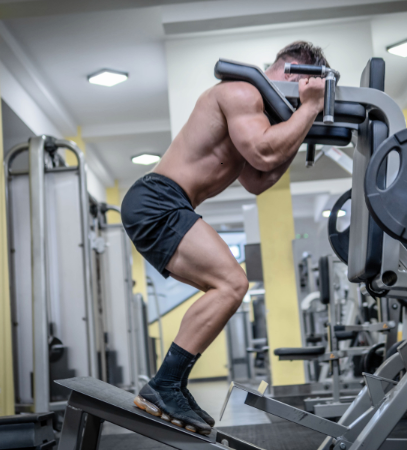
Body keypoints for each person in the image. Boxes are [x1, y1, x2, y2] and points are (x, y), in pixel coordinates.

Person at [122, 41, 328, 435]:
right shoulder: (242, 91)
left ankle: (172, 385)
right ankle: (165, 384)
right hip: (158, 199)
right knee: (233, 283)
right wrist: (309, 108)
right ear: (298, 75)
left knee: (226, 286)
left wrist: (301, 124)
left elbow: (257, 179)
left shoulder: (255, 112)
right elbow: (265, 155)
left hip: (165, 203)